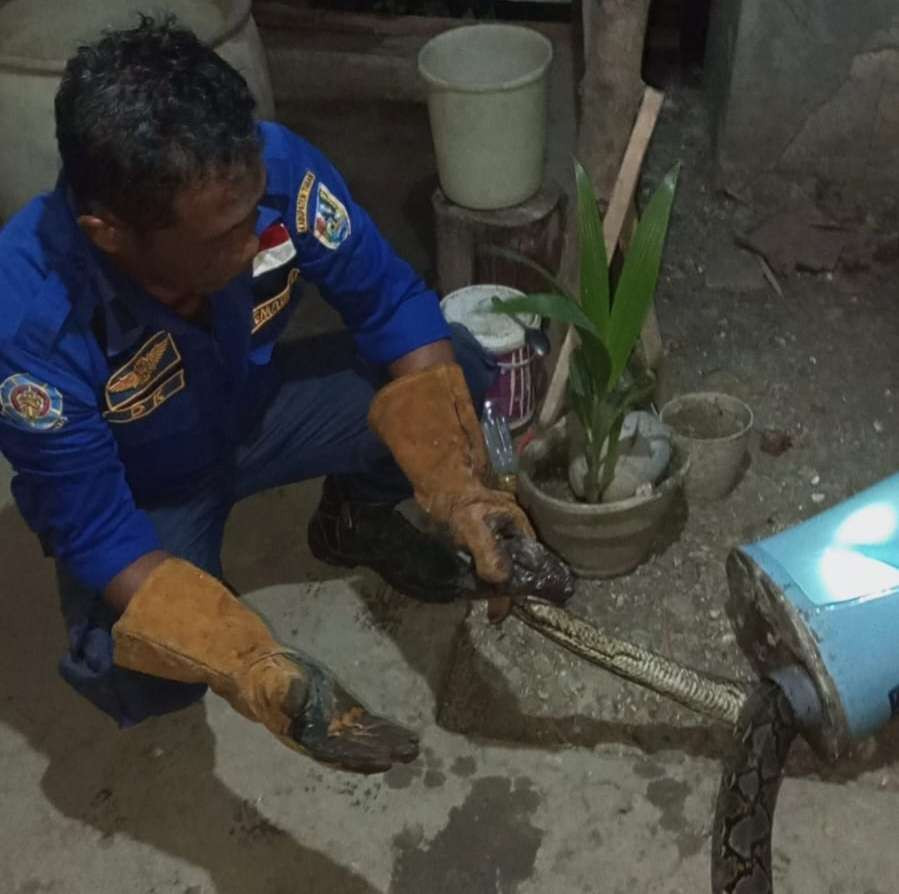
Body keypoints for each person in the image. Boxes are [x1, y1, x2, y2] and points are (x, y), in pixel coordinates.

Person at [0, 16, 550, 773]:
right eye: (227, 232)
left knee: (452, 365)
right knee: (140, 664)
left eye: (257, 201)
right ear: (112, 234)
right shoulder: (27, 325)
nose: (259, 230)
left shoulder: (271, 171)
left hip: (258, 413)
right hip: (145, 489)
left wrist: (458, 490)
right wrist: (250, 665)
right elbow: (95, 527)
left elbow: (388, 304)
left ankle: (352, 521)